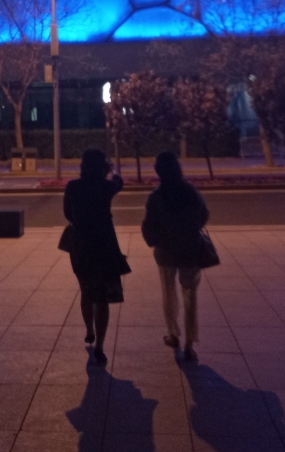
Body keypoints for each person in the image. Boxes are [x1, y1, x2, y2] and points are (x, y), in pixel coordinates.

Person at [141, 151, 210, 362]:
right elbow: (204, 214)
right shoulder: (190, 192)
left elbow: (148, 225)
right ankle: (190, 343)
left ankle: (173, 333)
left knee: (168, 294)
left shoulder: (156, 196)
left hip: (166, 251)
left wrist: (156, 238)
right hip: (189, 249)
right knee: (190, 296)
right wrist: (190, 230)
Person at [63, 148, 130, 364]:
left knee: (85, 288)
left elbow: (67, 214)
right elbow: (119, 182)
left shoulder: (73, 187)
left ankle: (89, 329)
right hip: (104, 244)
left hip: (81, 245)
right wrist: (111, 170)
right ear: (103, 167)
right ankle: (100, 346)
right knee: (102, 298)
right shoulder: (106, 186)